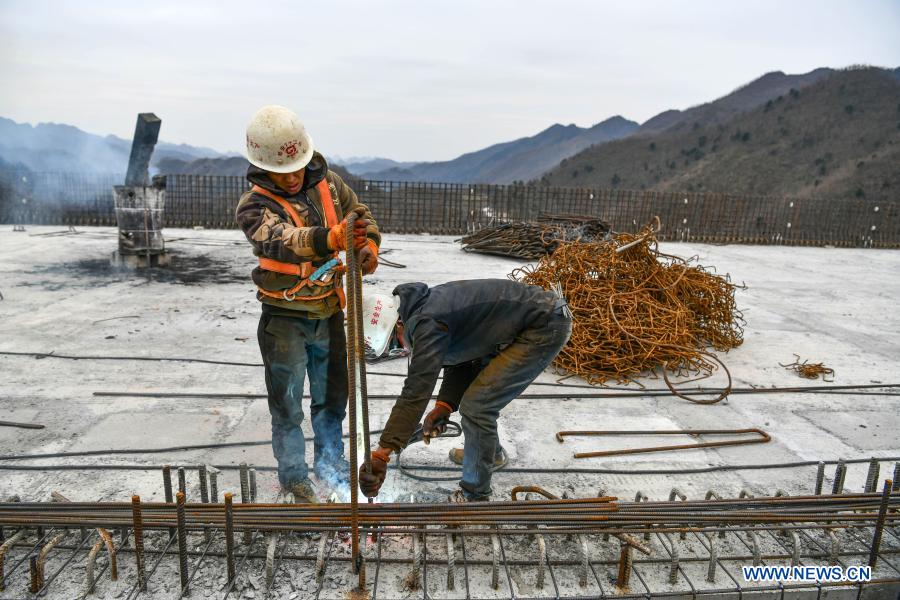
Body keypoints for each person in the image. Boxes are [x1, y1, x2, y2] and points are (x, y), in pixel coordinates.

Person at [236, 105, 381, 502]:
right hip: (285, 318)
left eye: (297, 166)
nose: (293, 175)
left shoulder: (329, 183)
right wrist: (330, 240)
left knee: (333, 397)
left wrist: (368, 245)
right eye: (283, 171)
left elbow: (361, 215)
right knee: (287, 404)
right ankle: (294, 475)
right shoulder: (252, 207)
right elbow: (282, 240)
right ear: (263, 168)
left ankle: (331, 464)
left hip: (330, 312)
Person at [358, 279, 572, 502]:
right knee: (478, 400)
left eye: (395, 344)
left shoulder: (427, 322)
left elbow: (415, 392)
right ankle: (489, 455)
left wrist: (382, 453)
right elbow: (462, 355)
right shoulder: (421, 309)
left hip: (543, 325)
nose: (401, 349)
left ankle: (474, 495)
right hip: (524, 321)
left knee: (477, 406)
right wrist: (445, 406)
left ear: (398, 324)